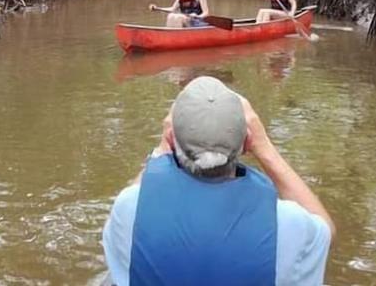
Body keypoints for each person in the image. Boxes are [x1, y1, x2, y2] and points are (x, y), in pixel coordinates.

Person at [102, 76, 334, 286]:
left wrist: (162, 148)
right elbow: (325, 230)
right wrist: (264, 147)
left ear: (171, 138)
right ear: (246, 143)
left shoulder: (129, 210)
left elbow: (139, 193)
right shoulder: (289, 224)